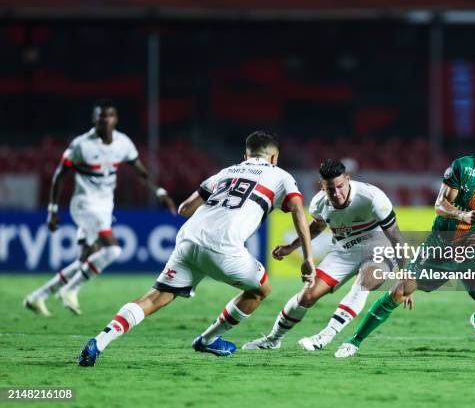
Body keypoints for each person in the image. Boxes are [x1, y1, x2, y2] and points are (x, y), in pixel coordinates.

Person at [78, 130, 314, 366]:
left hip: (189, 238)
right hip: (224, 247)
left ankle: (100, 341)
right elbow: (297, 209)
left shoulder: (226, 172)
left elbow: (184, 208)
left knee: (155, 297)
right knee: (260, 290)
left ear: (245, 155)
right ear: (275, 158)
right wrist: (306, 257)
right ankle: (209, 339)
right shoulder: (281, 175)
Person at [335, 126, 475, 358]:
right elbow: (440, 206)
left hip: (474, 251)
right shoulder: (463, 167)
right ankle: (353, 342)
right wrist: (462, 215)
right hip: (441, 246)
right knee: (399, 292)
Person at [24, 99, 175, 316]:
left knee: (85, 260)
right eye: (101, 116)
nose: (105, 119)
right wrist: (52, 210)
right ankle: (70, 289)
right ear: (94, 119)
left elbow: (140, 170)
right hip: (84, 204)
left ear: (116, 119)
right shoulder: (81, 145)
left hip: (105, 206)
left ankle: (38, 296)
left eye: (109, 115)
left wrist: (160, 192)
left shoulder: (123, 143)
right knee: (112, 249)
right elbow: (59, 175)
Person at [242, 158, 403, 352]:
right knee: (307, 296)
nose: (337, 193)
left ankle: (325, 336)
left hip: (379, 248)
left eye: (340, 186)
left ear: (348, 179)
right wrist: (291, 247)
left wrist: (404, 277)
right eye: (330, 189)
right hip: (345, 251)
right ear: (321, 186)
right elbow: (317, 227)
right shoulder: (318, 203)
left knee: (363, 284)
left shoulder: (373, 198)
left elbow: (396, 237)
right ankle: (273, 339)